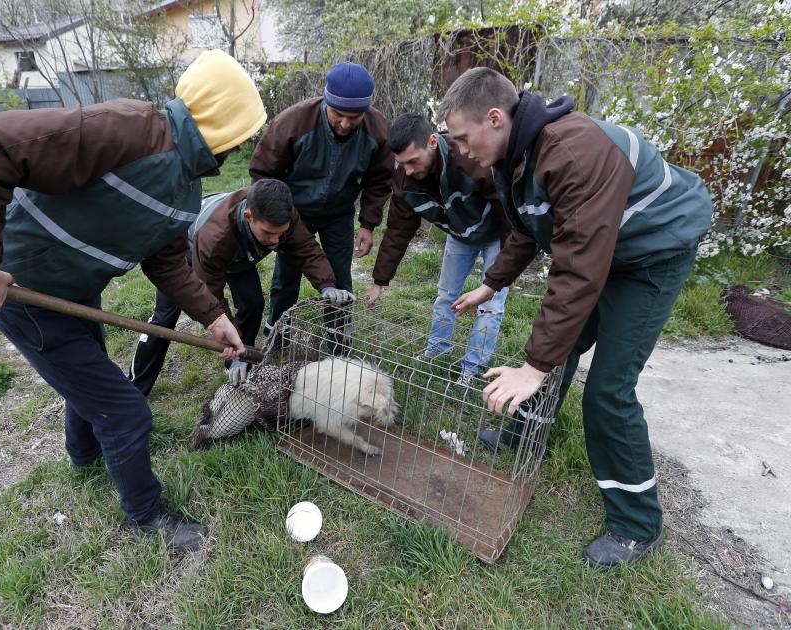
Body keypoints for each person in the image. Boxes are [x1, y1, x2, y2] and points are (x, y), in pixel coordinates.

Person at [0, 50, 267, 552]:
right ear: (222, 120)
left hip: (75, 290)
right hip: (27, 293)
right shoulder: (127, 130)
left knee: (89, 381)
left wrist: (213, 316)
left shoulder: (187, 190)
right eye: (243, 131)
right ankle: (146, 516)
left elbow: (167, 261)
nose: (243, 143)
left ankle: (84, 457)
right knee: (125, 412)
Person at [443, 68, 712, 568]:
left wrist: (535, 364)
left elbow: (579, 269)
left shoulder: (571, 152)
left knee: (608, 390)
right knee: (552, 352)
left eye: (461, 137)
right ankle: (524, 439)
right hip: (608, 252)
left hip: (653, 254)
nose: (459, 150)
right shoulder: (520, 152)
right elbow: (530, 226)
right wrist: (493, 282)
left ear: (495, 119)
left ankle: (637, 525)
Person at [129, 178, 350, 396]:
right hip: (185, 257)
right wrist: (221, 329)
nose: (275, 241)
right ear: (248, 217)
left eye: (280, 234)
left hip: (239, 254)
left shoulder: (282, 215)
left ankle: (243, 357)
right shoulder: (214, 239)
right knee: (164, 320)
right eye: (268, 233)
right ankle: (136, 387)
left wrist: (326, 285)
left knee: (253, 304)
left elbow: (306, 248)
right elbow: (210, 299)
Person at [363, 113, 508, 385]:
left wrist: (513, 260)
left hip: (498, 234)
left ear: (431, 142)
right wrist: (379, 281)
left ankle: (472, 369)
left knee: (490, 303)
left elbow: (506, 203)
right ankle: (437, 351)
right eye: (401, 163)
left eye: (412, 161)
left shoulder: (468, 156)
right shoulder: (406, 180)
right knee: (446, 296)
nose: (406, 170)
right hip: (460, 234)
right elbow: (397, 230)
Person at [250, 61, 394, 334]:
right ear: (326, 101)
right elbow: (263, 173)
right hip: (294, 213)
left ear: (365, 110)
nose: (344, 123)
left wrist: (368, 224)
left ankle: (338, 333)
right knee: (286, 275)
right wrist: (277, 216)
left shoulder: (377, 130)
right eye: (338, 114)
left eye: (354, 117)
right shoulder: (293, 122)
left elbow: (381, 179)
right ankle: (278, 331)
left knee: (340, 275)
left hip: (338, 213)